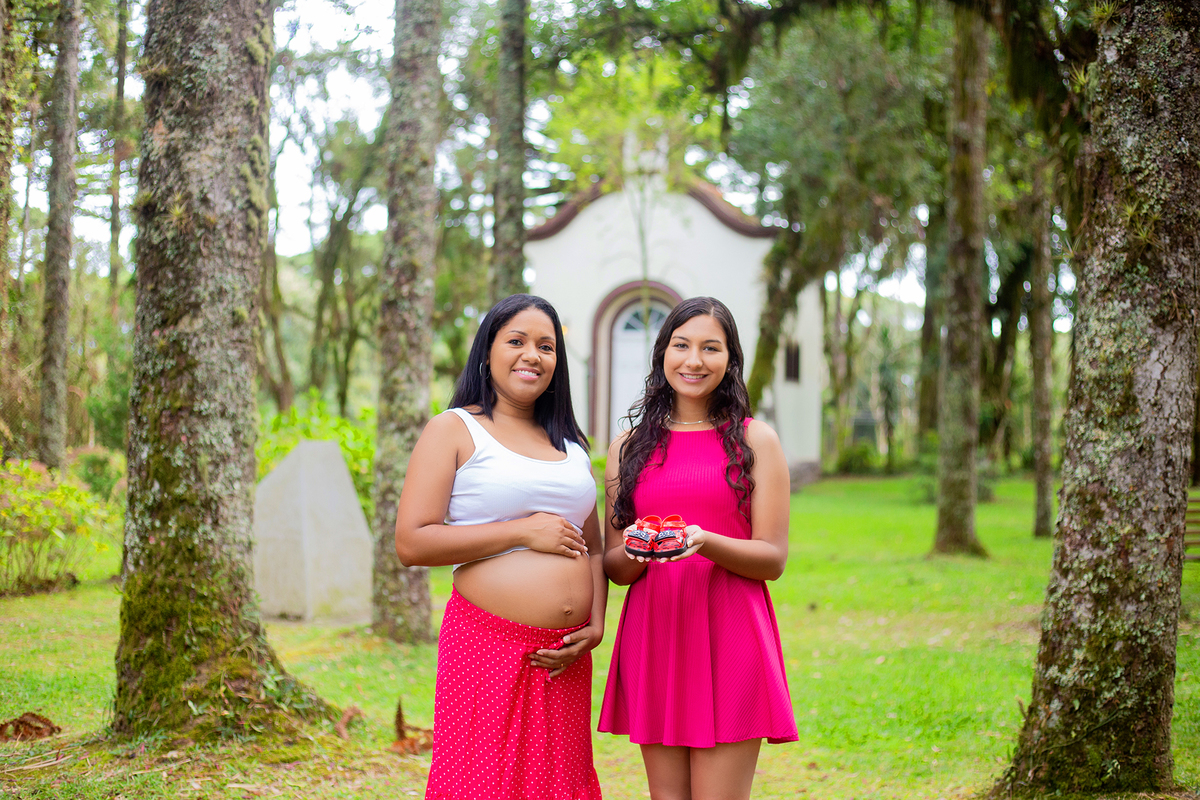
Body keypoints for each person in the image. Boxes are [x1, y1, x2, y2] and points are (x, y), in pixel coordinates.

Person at [394, 294, 605, 800]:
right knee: (483, 781)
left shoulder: (570, 446)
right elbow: (411, 541)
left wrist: (596, 624)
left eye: (547, 346)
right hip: (487, 643)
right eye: (517, 341)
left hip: (565, 654)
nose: (533, 354)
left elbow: (594, 548)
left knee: (559, 783)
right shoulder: (454, 429)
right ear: (487, 353)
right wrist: (521, 532)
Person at [599, 296, 797, 800]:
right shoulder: (627, 447)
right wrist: (640, 551)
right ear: (662, 353)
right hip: (657, 632)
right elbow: (615, 567)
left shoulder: (757, 441)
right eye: (681, 345)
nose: (694, 360)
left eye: (711, 348)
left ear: (730, 360)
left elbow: (772, 559)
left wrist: (704, 542)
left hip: (730, 631)